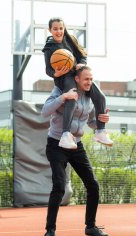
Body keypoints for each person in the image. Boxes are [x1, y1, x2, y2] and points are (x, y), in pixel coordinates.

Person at [41, 66, 109, 236]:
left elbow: (91, 122)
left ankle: (90, 226)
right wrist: (63, 98)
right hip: (56, 144)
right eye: (86, 79)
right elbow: (44, 111)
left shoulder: (89, 96)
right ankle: (50, 231)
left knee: (93, 185)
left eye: (91, 79)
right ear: (77, 79)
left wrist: (101, 121)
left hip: (76, 145)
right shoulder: (60, 89)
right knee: (59, 187)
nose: (89, 82)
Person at [42, 17, 113, 150]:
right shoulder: (49, 48)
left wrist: (82, 63)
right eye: (55, 29)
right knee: (72, 97)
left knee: (101, 97)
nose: (58, 31)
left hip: (77, 73)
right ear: (50, 30)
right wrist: (56, 73)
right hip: (64, 77)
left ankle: (101, 132)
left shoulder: (71, 40)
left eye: (61, 28)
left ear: (64, 29)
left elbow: (83, 55)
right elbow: (48, 70)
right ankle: (65, 135)